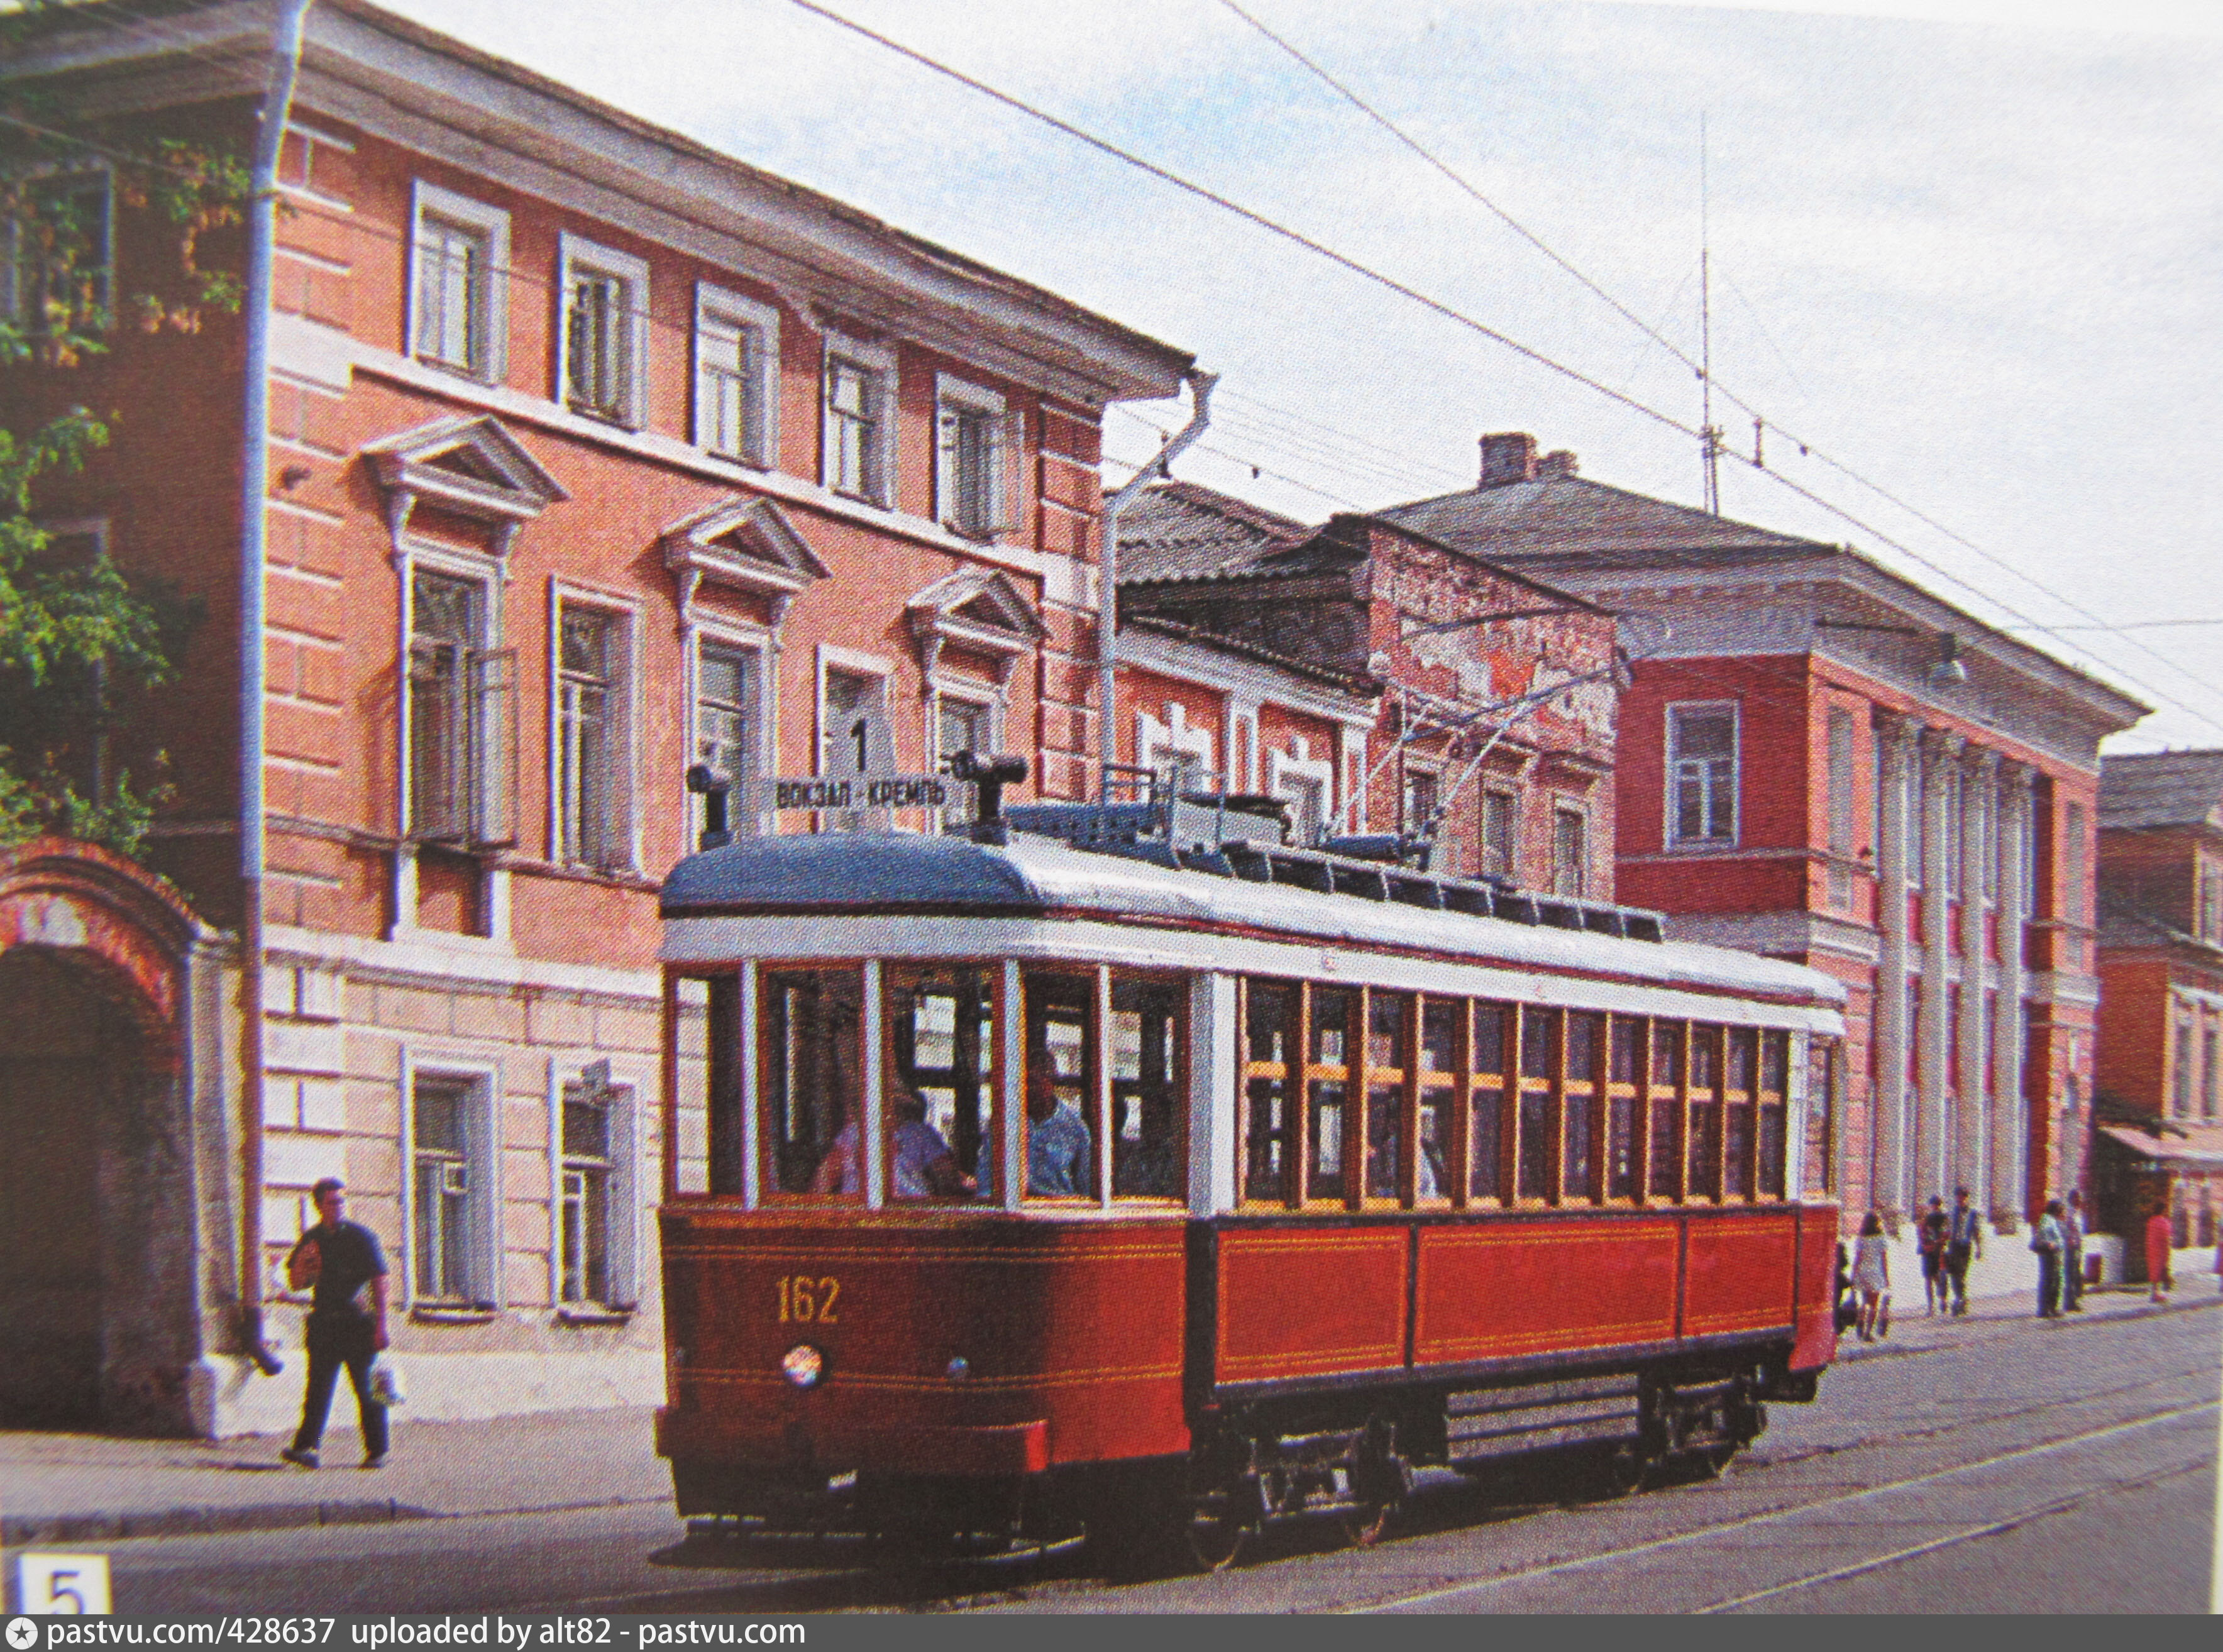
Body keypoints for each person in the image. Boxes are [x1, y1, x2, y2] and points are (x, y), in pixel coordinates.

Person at [280, 1177, 391, 1470]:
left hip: (357, 1324)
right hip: (325, 1324)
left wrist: (382, 1325)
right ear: (319, 1206)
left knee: (367, 1391)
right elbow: (296, 1283)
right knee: (317, 1390)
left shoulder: (361, 1238)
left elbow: (379, 1280)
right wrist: (304, 1263)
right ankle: (307, 1448)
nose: (339, 1207)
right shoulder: (313, 1238)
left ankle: (377, 1451)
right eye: (332, 1202)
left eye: (342, 1201)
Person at [1026, 1071, 1092, 1197]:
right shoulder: (1005, 1124)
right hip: (1014, 1208)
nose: (1029, 1089)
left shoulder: (1075, 1128)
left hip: (1059, 1209)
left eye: (1034, 1082)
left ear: (1051, 1083)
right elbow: (986, 1175)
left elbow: (1086, 1185)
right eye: (1023, 1083)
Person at [1849, 1211, 1890, 1341]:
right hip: (1876, 1272)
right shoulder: (1881, 1238)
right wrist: (1887, 1277)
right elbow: (1884, 1259)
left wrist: (1853, 1274)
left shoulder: (1861, 1237)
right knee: (1874, 1305)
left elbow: (1858, 1258)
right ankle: (1868, 1332)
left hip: (1863, 1271)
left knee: (1864, 1301)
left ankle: (1860, 1321)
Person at [1944, 1185, 1982, 1316]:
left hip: (1965, 1246)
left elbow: (1977, 1231)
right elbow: (1948, 1228)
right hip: (1953, 1245)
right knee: (1954, 1274)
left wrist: (1979, 1248)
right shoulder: (1952, 1212)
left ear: (1967, 1198)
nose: (1961, 1200)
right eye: (1958, 1197)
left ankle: (1962, 1299)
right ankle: (1960, 1298)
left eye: (1963, 1197)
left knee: (1962, 1273)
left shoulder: (1973, 1213)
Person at [2031, 1198, 2066, 1318]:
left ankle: (2052, 1307)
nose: (2063, 1213)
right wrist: (2050, 1244)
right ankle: (2046, 1308)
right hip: (2050, 1254)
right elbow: (2044, 1233)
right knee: (2051, 1281)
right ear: (2056, 1210)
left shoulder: (2052, 1220)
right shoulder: (2047, 1219)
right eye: (2061, 1210)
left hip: (2055, 1253)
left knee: (2055, 1280)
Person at [1917, 1194, 1950, 1315]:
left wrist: (1937, 1242)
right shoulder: (1927, 1219)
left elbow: (1946, 1234)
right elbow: (1922, 1234)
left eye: (1936, 1205)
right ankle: (1935, 1304)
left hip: (1938, 1251)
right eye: (1934, 1205)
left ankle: (1940, 1302)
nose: (1935, 1207)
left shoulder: (1944, 1219)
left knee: (1937, 1278)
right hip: (1930, 1251)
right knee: (1931, 1278)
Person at [2061, 1190, 2087, 1313]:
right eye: (2078, 1198)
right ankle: (2070, 1302)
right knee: (2071, 1275)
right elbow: (2065, 1230)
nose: (2081, 1201)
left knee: (2076, 1275)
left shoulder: (2078, 1214)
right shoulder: (2069, 1214)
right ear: (2072, 1200)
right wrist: (2069, 1240)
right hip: (2071, 1248)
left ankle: (2074, 1300)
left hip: (2078, 1247)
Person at [2145, 1201, 2175, 1304]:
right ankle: (2156, 1294)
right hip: (2161, 1249)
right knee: (2161, 1269)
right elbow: (2167, 1238)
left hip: (2151, 1248)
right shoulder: (2164, 1222)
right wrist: (2167, 1252)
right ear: (2163, 1210)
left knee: (2154, 1270)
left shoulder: (2151, 1221)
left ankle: (2155, 1292)